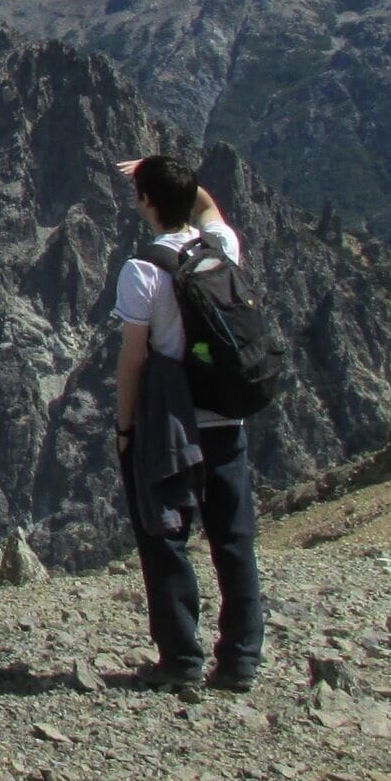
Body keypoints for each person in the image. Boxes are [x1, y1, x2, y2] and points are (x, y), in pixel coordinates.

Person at [110, 154, 263, 696]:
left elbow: (133, 359)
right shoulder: (221, 249)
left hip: (171, 423)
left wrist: (125, 429)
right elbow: (210, 207)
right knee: (234, 538)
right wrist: (178, 181)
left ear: (145, 201)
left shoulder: (144, 270)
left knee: (165, 533)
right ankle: (242, 660)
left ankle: (180, 657)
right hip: (227, 415)